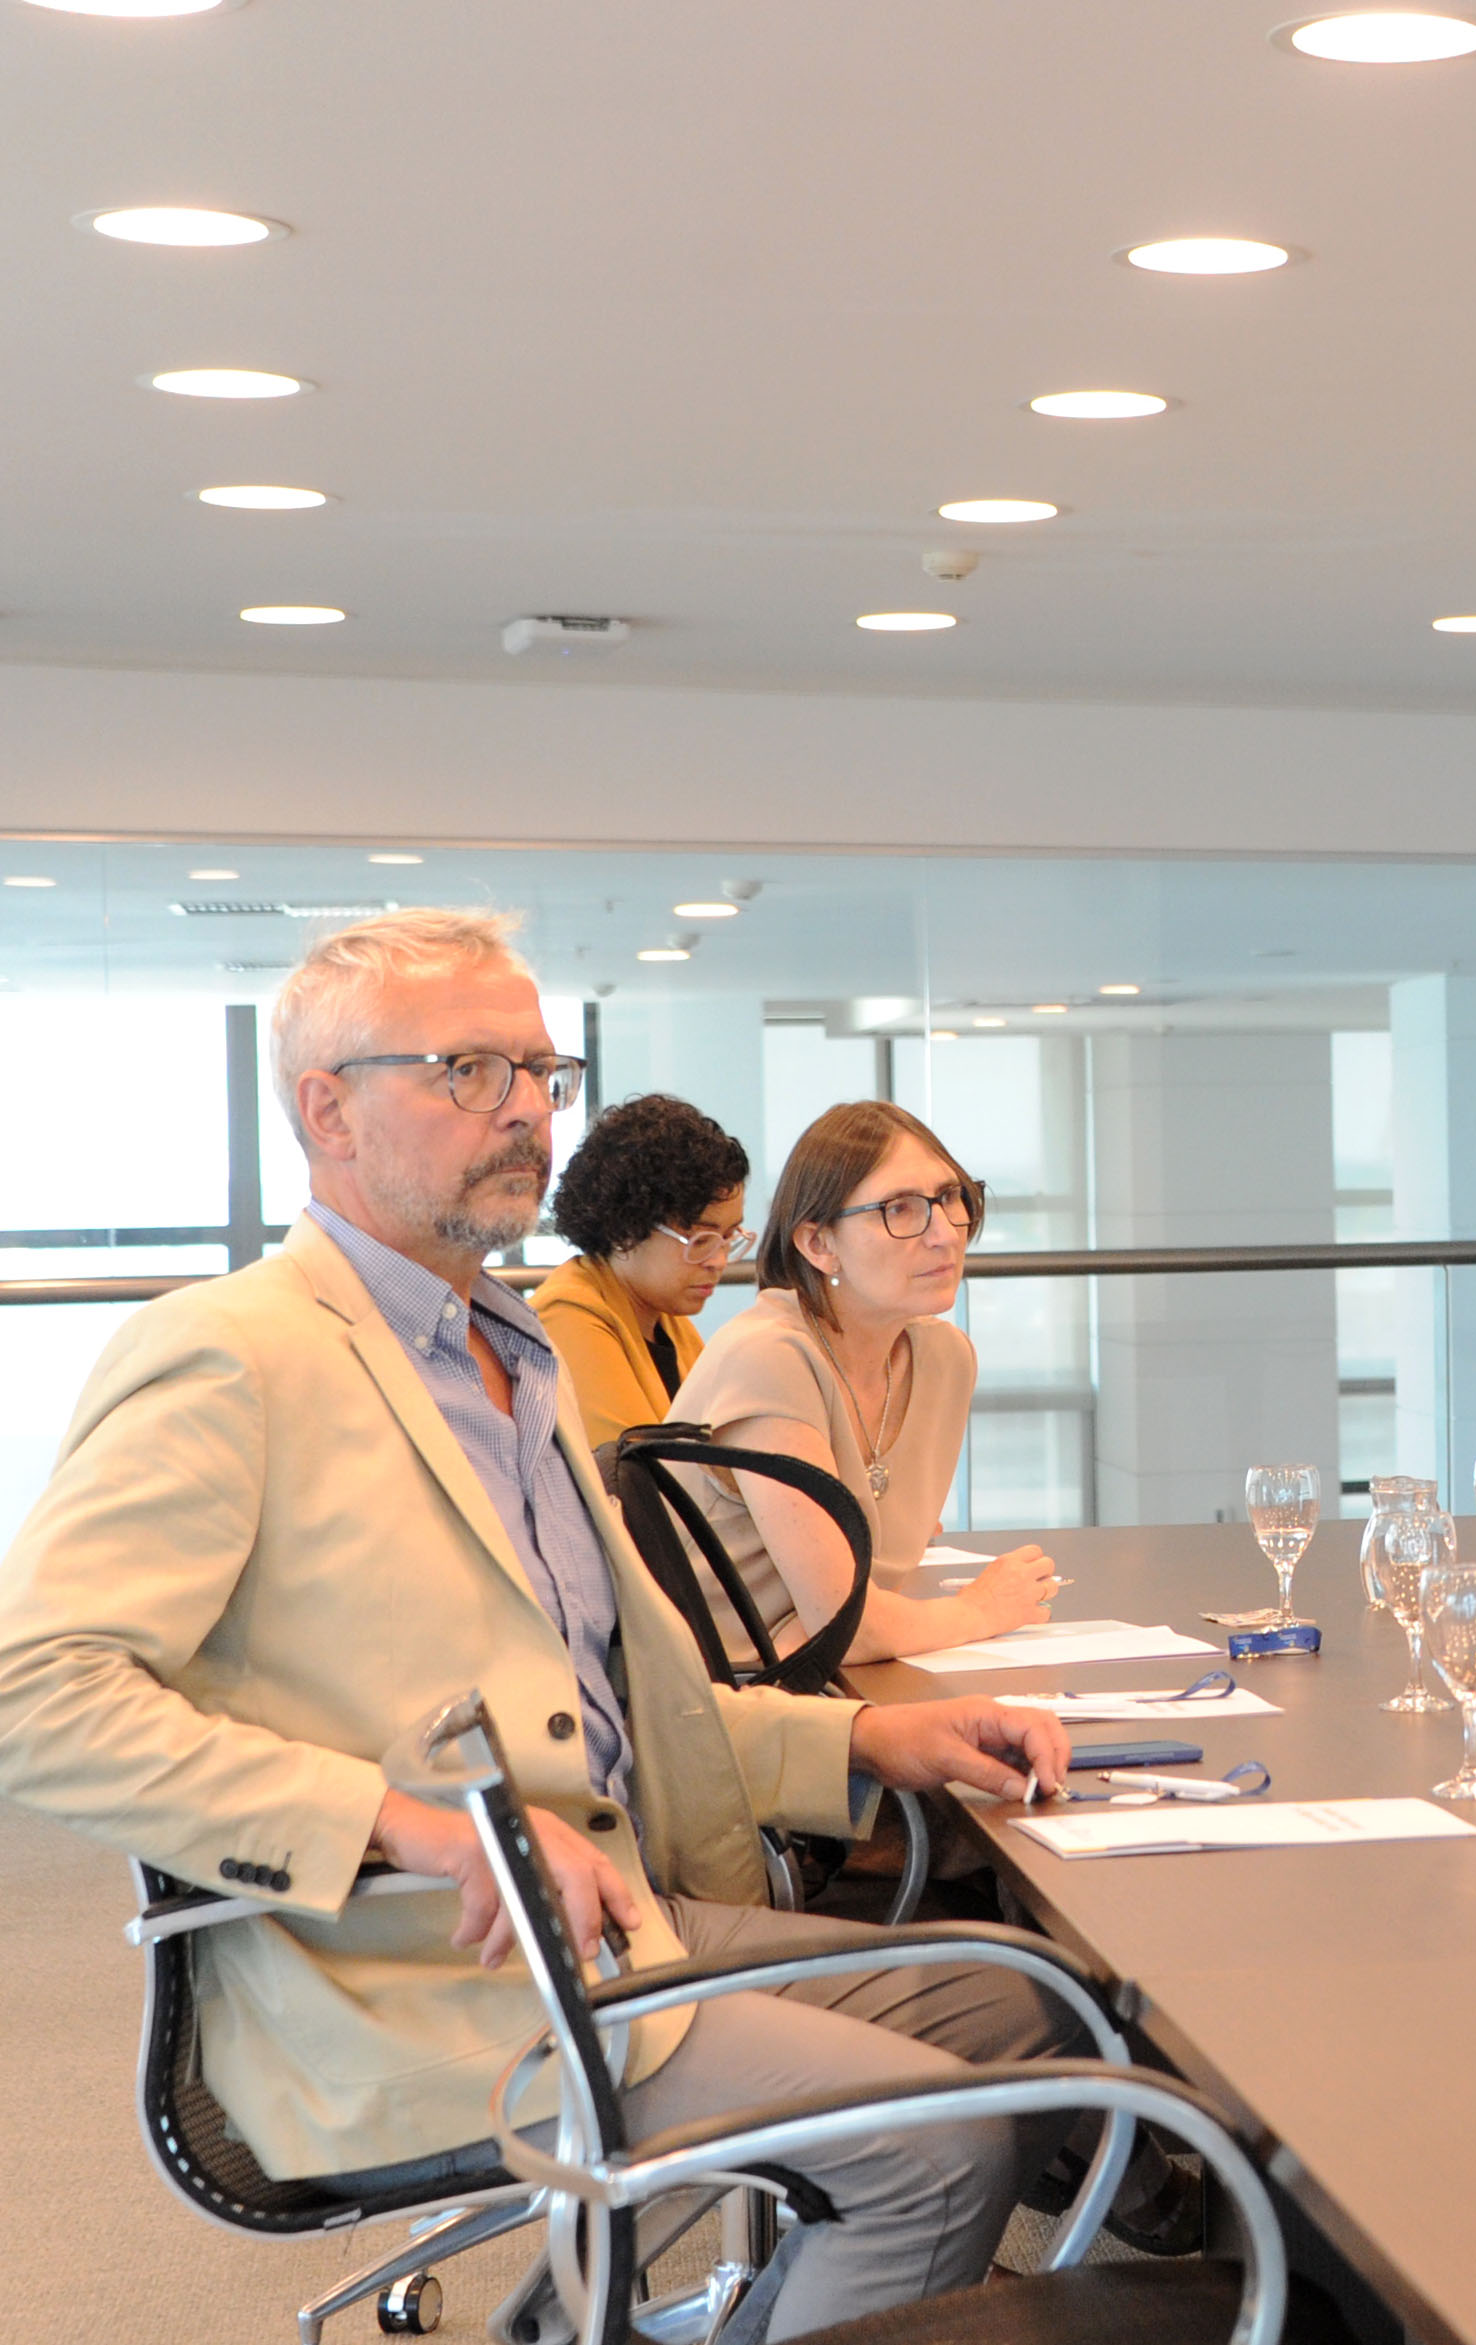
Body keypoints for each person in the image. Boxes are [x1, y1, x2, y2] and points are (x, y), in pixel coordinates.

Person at [0, 909, 1082, 2340]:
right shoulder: (235, 1353)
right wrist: (422, 1827)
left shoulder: (510, 1352)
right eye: (468, 1070)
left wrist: (880, 1736)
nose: (524, 1108)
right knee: (933, 2146)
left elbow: (618, 1712)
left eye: (539, 1070)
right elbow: (35, 1695)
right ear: (326, 1109)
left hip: (625, 1922)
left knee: (1037, 2015)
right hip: (425, 1977)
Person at [668, 1100, 1056, 1662]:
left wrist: (856, 1627)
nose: (945, 1233)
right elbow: (848, 1627)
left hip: (822, 1678)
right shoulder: (768, 1356)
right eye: (900, 1209)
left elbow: (856, 1609)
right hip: (714, 1693)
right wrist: (981, 1610)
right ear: (818, 1245)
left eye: (951, 1198)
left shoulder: (945, 1358)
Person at [530, 1090, 752, 1449]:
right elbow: (639, 1470)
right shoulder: (567, 1316)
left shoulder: (667, 1319)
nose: (719, 1261)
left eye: (728, 1238)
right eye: (701, 1240)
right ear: (626, 1229)